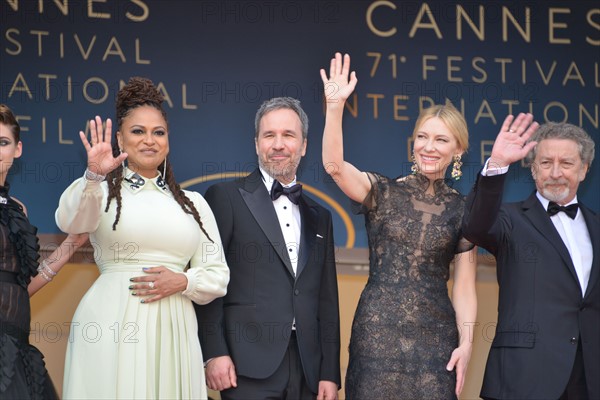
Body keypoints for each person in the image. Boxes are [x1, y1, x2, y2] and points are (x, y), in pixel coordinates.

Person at [55, 77, 230, 399]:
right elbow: (70, 220)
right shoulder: (102, 191)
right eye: (138, 131)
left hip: (174, 328)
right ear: (120, 139)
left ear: (168, 140)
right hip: (110, 323)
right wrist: (93, 175)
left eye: (158, 132)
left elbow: (218, 276)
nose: (149, 140)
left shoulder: (193, 203)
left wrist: (183, 281)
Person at [320, 53, 478, 399]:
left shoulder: (463, 209)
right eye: (422, 137)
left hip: (437, 340)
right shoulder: (382, 192)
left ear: (458, 151)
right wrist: (335, 108)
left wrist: (466, 344)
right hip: (377, 334)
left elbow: (465, 287)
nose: (429, 147)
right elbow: (334, 167)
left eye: (441, 140)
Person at [195, 97, 341, 400]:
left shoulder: (321, 216)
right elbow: (207, 280)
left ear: (303, 145)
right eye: (269, 135)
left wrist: (330, 372)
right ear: (256, 143)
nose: (278, 144)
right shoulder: (225, 197)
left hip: (308, 368)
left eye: (288, 135)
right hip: (245, 364)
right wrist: (214, 352)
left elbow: (327, 300)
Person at [462, 115, 599, 399]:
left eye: (567, 163)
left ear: (584, 170)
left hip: (588, 378)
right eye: (546, 163)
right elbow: (475, 227)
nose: (556, 172)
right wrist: (498, 163)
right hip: (523, 377)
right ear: (533, 169)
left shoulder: (597, 225)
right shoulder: (510, 219)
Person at [0, 104, 88, 399]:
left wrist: (71, 245)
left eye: (3, 142)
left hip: (16, 344)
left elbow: (22, 288)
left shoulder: (19, 210)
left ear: (18, 149)